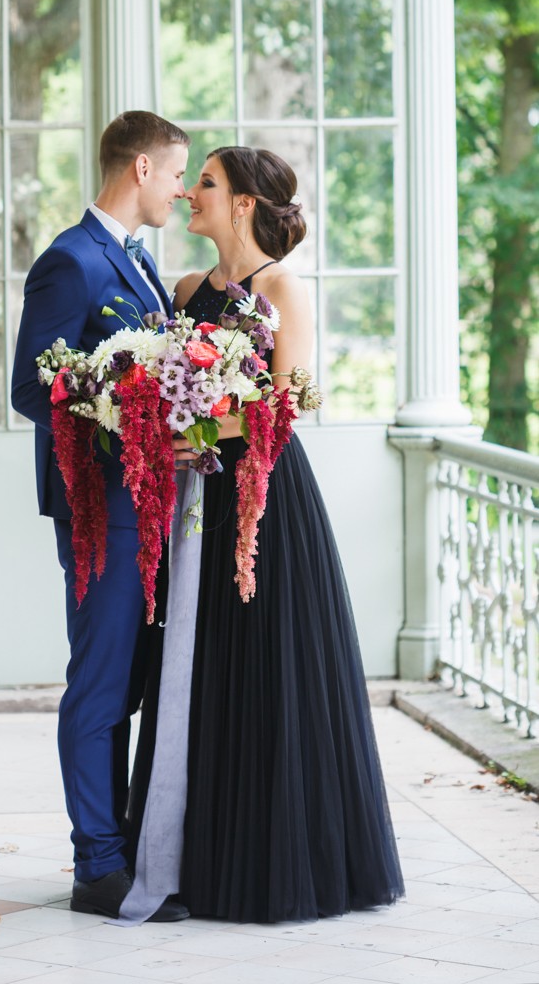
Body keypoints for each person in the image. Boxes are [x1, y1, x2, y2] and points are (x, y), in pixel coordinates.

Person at [125, 145, 404, 924]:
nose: (189, 195)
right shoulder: (183, 291)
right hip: (194, 503)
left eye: (204, 184)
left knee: (266, 665)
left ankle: (276, 860)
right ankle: (194, 856)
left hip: (264, 500)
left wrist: (209, 427)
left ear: (243, 202)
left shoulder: (282, 289)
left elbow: (289, 401)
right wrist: (162, 426)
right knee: (197, 667)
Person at [11, 111, 191, 922]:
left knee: (133, 683)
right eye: (178, 172)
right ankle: (97, 868)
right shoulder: (69, 261)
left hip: (150, 507)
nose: (182, 189)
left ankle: (126, 848)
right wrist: (122, 414)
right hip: (99, 506)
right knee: (98, 685)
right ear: (142, 168)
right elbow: (29, 387)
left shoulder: (143, 265)